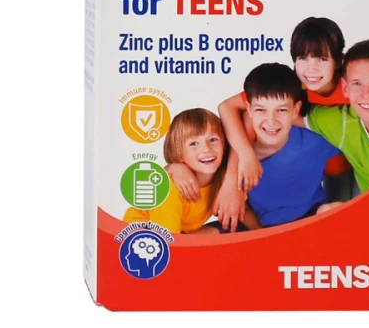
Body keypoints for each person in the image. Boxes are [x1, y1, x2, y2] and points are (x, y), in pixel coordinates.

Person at [218, 17, 350, 191]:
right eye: (303, 58)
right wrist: (246, 156)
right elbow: (227, 107)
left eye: (322, 59)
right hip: (319, 165)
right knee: (255, 115)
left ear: (339, 61)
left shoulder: (354, 87)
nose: (311, 69)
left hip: (353, 163)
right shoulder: (293, 87)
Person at [237, 63, 348, 226]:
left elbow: (342, 174)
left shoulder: (317, 140)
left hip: (312, 219)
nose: (271, 121)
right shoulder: (236, 151)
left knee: (331, 210)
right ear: (249, 109)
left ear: (296, 110)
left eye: (281, 110)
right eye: (261, 110)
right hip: (260, 226)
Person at [123, 108, 260, 234]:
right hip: (142, 235)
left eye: (213, 140)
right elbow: (167, 240)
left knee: (218, 232)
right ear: (178, 154)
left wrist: (260, 233)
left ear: (224, 146)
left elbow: (243, 209)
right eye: (194, 143)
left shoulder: (224, 180)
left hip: (180, 232)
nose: (206, 149)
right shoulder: (170, 189)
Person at [301, 40, 369, 193]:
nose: (366, 94)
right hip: (366, 201)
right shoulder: (342, 123)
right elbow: (281, 114)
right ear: (346, 88)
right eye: (357, 84)